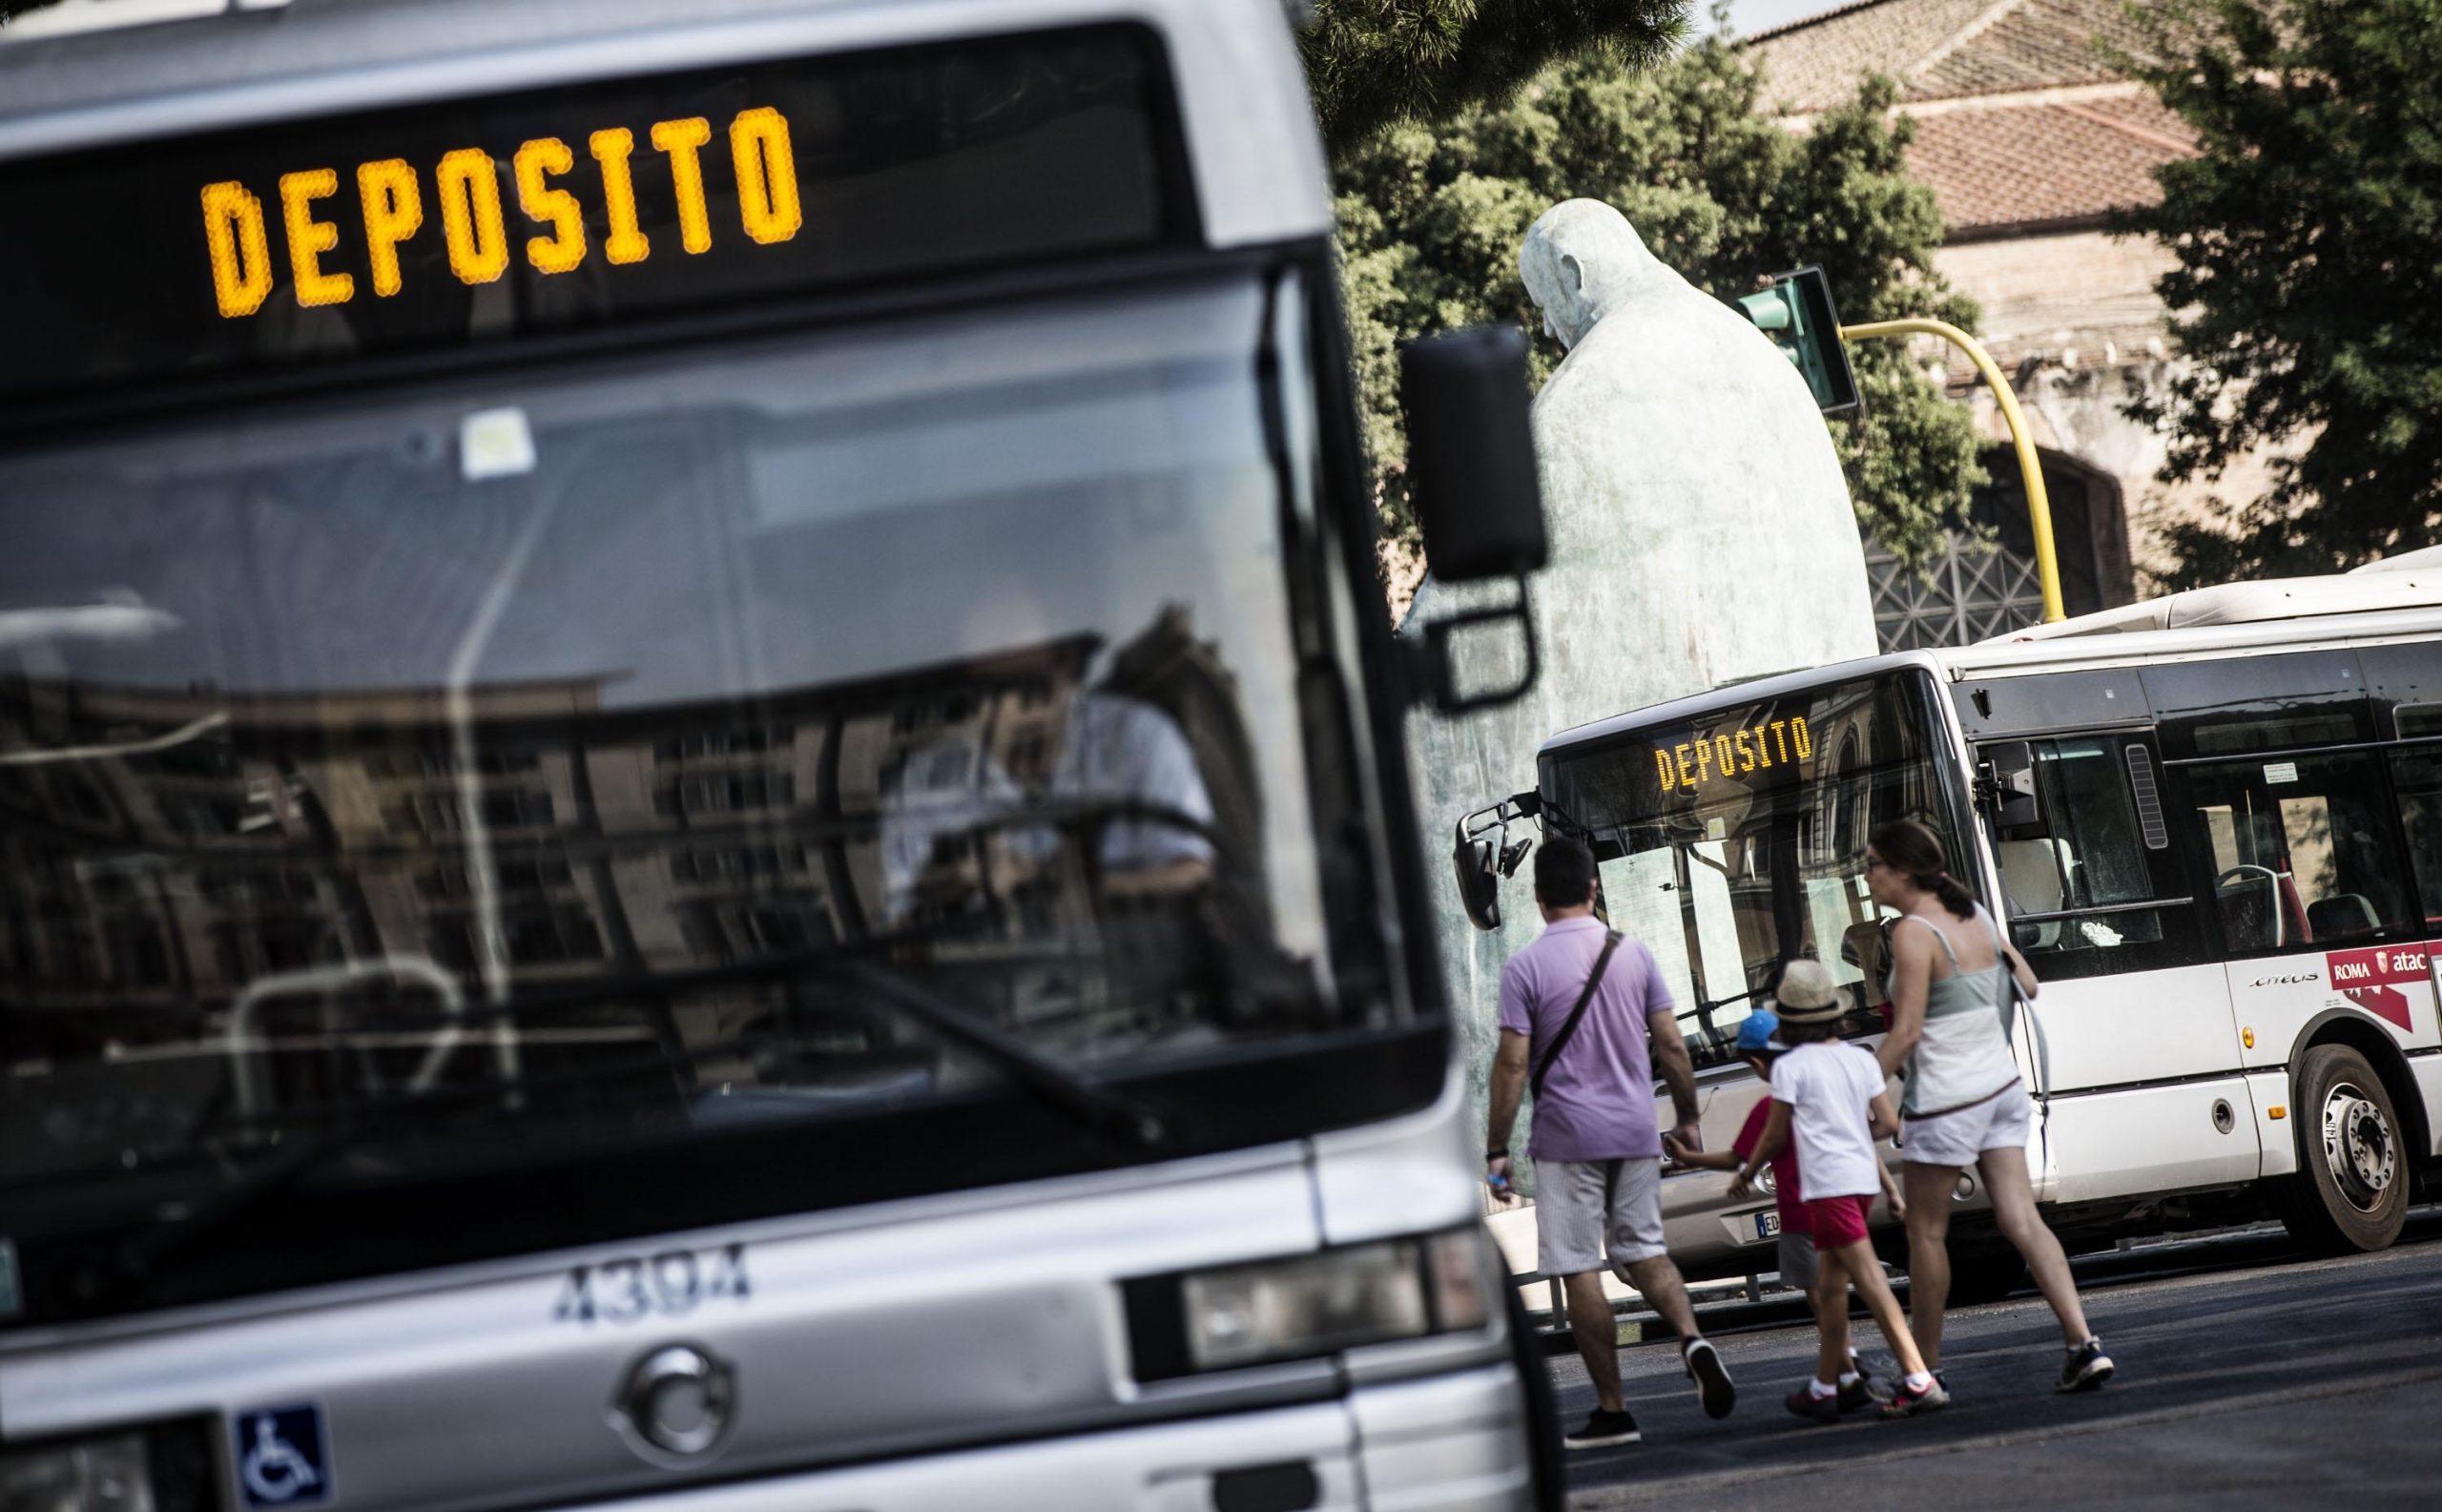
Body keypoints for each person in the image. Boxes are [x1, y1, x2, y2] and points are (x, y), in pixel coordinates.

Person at [1484, 837, 1735, 1449]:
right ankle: (1690, 1336)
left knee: (1579, 1268)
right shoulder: (1633, 954)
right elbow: (1672, 1046)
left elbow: (1513, 1065)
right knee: (1645, 1251)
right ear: (1593, 890)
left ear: (1540, 899)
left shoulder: (1524, 969)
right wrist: (1687, 1120)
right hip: (1633, 1130)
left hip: (1567, 1139)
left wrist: (1497, 1149)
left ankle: (1614, 1411)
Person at [1867, 818, 2115, 1395]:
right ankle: (2083, 1344)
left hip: (1947, 1100)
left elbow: (1903, 1035)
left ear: (1904, 871)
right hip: (2002, 1090)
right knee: (2021, 1219)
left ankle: (1921, 1374)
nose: (1869, 876)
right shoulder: (1973, 914)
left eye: (1875, 865)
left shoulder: (1913, 933)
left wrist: (1859, 1086)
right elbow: (2028, 982)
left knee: (1926, 1234)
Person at [1728, 961, 1948, 1419]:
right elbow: (1888, 1123)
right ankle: (1826, 1385)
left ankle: (1918, 1378)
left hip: (1826, 1183)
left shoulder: (1791, 1068)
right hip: (1860, 1181)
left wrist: (1748, 1172)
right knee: (1829, 1287)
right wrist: (1851, 1134)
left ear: (1788, 1022)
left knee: (1868, 1280)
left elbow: (1773, 1135)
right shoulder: (1860, 1059)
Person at [1664, 1006, 1904, 1419]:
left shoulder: (1772, 1107)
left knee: (1823, 1301)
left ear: (1758, 1062)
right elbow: (1860, 1138)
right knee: (1836, 1296)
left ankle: (1846, 1376)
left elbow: (1737, 1157)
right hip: (1845, 1201)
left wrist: (1690, 1157)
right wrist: (1891, 1189)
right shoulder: (1820, 1092)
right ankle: (1842, 1376)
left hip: (1800, 1210)